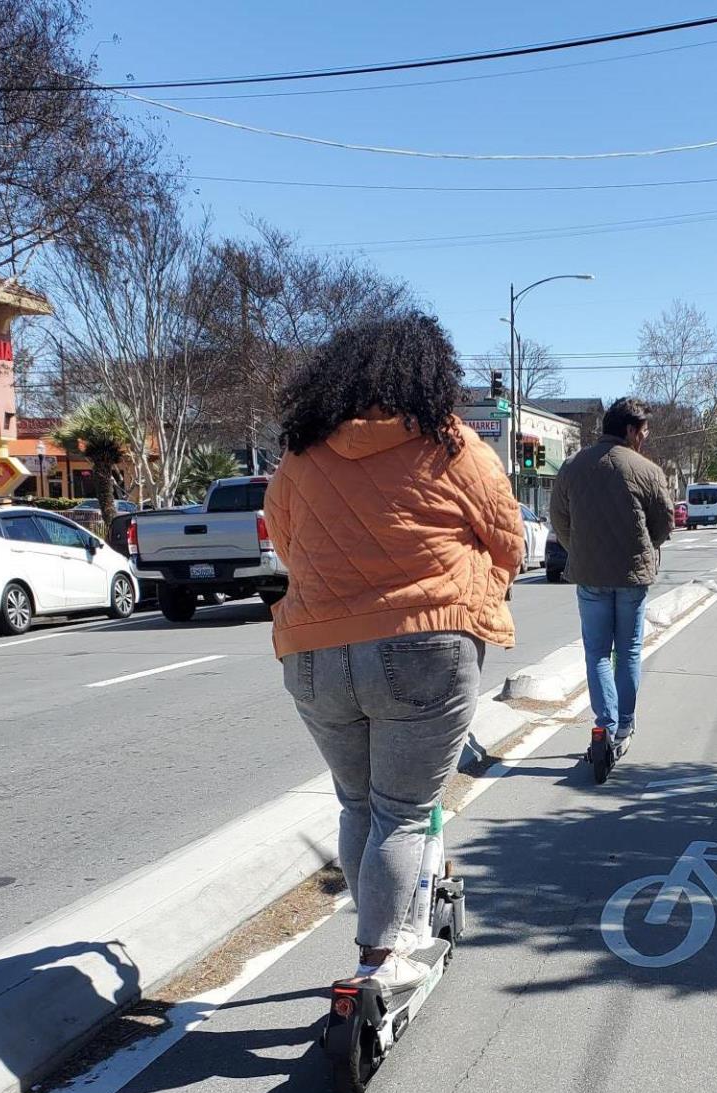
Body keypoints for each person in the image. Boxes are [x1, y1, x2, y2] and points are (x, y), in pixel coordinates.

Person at [265, 312, 523, 991]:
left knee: (359, 806)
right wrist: (475, 597)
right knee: (403, 811)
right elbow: (509, 543)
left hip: (315, 653)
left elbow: (288, 548)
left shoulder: (300, 454)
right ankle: (380, 962)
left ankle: (385, 933)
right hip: (424, 646)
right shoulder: (455, 446)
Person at [548, 396, 675, 756]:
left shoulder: (572, 466)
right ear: (632, 431)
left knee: (598, 653)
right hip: (632, 576)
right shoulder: (647, 471)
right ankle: (625, 723)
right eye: (645, 430)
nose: (646, 437)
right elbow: (664, 524)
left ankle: (605, 723)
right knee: (629, 650)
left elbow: (559, 518)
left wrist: (579, 549)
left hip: (589, 575)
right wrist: (645, 546)